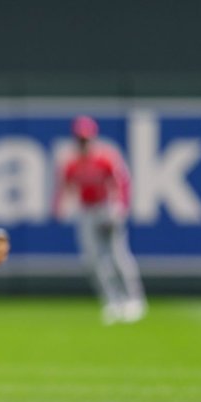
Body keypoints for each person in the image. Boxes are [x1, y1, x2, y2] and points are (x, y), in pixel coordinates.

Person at [54, 115, 146, 324]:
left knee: (117, 255)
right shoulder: (72, 163)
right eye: (80, 139)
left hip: (106, 208)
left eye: (86, 139)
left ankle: (134, 300)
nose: (83, 143)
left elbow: (121, 182)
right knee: (94, 260)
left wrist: (119, 206)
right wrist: (60, 207)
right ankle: (112, 301)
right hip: (86, 211)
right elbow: (65, 186)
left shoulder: (105, 158)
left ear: (93, 138)